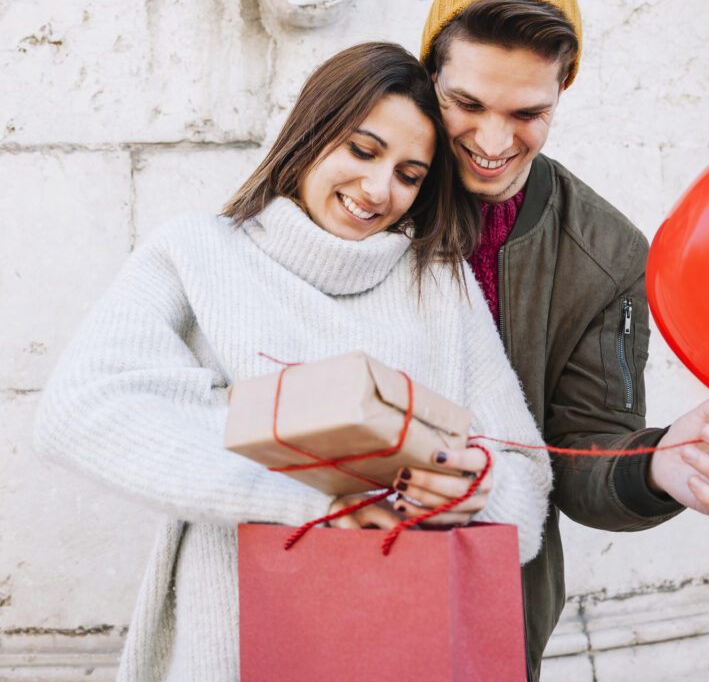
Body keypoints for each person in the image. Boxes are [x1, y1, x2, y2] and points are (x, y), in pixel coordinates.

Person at [34, 42, 552, 681]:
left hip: (401, 649)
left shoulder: (439, 285)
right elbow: (79, 410)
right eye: (362, 151)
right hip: (229, 644)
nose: (377, 188)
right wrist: (312, 501)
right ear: (311, 132)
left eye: (409, 174)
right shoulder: (197, 253)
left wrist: (476, 486)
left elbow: (526, 492)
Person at [392, 0, 709, 681]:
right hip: (309, 570)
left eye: (527, 113)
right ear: (427, 77)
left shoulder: (605, 255)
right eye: (466, 104)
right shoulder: (357, 184)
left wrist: (654, 466)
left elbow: (582, 455)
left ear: (563, 88)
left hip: (485, 614)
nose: (491, 141)